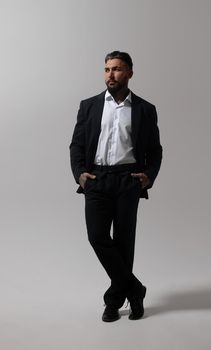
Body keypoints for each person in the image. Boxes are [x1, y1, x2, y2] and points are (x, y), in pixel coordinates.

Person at [70, 51, 162, 322]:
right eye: (107, 69)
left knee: (124, 243)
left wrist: (149, 175)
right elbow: (76, 144)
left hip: (127, 180)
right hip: (96, 180)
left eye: (117, 69)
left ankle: (113, 302)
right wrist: (80, 174)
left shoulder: (145, 109)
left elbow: (155, 150)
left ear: (130, 73)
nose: (111, 74)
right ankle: (135, 290)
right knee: (97, 236)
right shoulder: (89, 106)